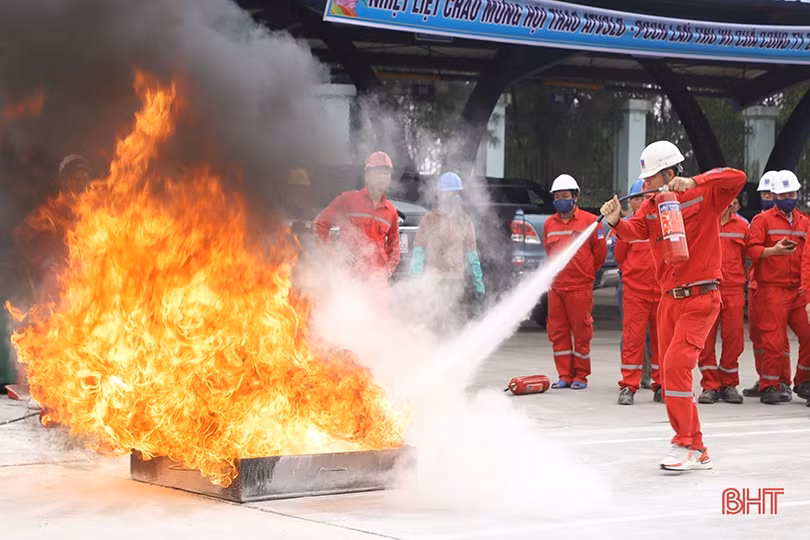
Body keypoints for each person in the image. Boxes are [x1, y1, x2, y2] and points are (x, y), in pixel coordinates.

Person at [600, 140, 745, 471]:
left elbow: (736, 177)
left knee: (679, 366)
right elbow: (634, 232)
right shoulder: (651, 206)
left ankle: (683, 443)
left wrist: (696, 182)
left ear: (669, 172)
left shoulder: (706, 194)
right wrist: (615, 221)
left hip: (701, 297)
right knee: (669, 372)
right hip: (669, 299)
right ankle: (698, 447)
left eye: (650, 178)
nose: (645, 184)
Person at [745, 169, 810, 404]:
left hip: (798, 290)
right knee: (773, 339)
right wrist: (773, 251)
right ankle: (772, 384)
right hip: (771, 288)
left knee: (808, 333)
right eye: (783, 195)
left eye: (792, 193)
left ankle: (804, 381)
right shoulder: (762, 221)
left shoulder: (805, 222)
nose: (788, 198)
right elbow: (750, 250)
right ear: (774, 196)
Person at [544, 174, 607, 390]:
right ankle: (564, 375)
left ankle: (581, 375)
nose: (560, 199)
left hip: (580, 287)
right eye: (557, 196)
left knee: (582, 332)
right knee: (558, 332)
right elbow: (548, 253)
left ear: (575, 197)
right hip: (556, 288)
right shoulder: (548, 224)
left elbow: (599, 254)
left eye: (565, 195)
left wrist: (585, 272)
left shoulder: (590, 222)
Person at [409, 172, 485, 329]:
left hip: (456, 281)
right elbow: (419, 250)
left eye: (454, 193)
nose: (451, 197)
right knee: (434, 324)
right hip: (433, 281)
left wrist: (478, 281)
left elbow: (472, 253)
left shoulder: (464, 220)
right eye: (446, 193)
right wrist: (415, 278)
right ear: (439, 194)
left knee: (455, 324)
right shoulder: (429, 219)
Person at [312, 151, 400, 281]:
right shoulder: (348, 200)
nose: (383, 176)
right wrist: (336, 251)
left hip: (376, 284)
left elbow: (395, 247)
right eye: (378, 172)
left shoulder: (391, 211)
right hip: (349, 281)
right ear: (367, 176)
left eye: (386, 173)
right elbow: (318, 225)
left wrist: (387, 271)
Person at [696, 197, 747, 404]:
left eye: (732, 199)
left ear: (735, 203)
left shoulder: (743, 226)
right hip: (707, 288)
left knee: (734, 339)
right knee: (705, 341)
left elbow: (748, 254)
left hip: (733, 290)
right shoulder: (703, 223)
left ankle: (729, 384)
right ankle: (710, 385)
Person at [616, 179, 661, 405]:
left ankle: (661, 385)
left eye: (648, 197)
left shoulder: (666, 224)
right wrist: (633, 277)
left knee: (661, 341)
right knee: (633, 340)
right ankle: (628, 387)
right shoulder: (631, 225)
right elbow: (620, 255)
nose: (645, 202)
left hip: (661, 292)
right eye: (641, 197)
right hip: (636, 292)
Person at [743, 170, 787, 398]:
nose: (768, 198)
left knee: (776, 336)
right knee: (760, 336)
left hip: (780, 286)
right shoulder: (758, 221)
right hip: (758, 284)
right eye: (765, 194)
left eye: (772, 194)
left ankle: (782, 380)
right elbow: (752, 251)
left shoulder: (792, 221)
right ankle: (765, 378)